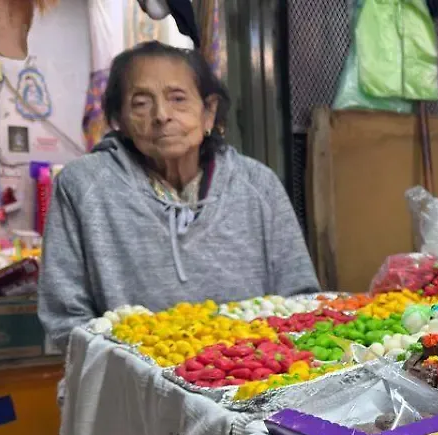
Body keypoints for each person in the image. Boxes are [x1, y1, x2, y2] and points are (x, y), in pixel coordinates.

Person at [38, 40, 319, 351]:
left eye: (178, 99)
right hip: (130, 382)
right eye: (141, 103)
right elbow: (64, 319)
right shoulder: (83, 186)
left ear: (209, 113)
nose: (162, 115)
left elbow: (301, 298)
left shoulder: (258, 184)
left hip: (251, 374)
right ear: (120, 119)